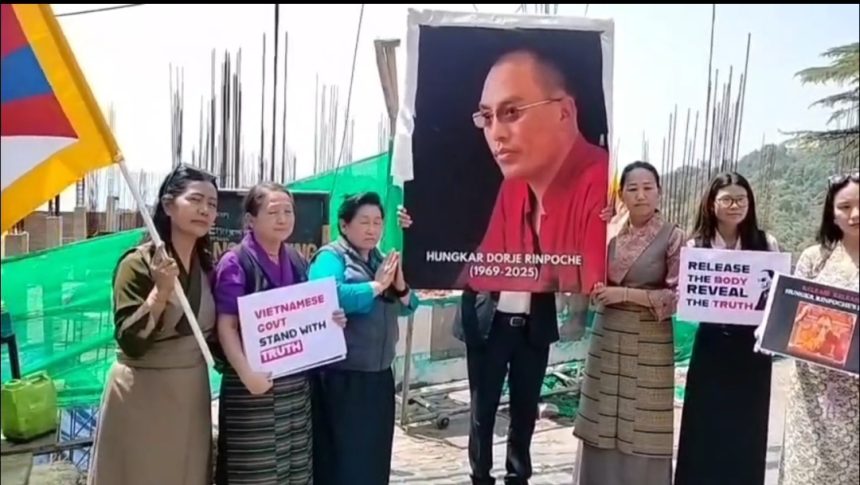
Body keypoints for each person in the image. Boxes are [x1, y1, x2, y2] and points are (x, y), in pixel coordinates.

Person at [401, 202, 560, 485]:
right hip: (489, 326)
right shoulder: (482, 222)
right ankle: (481, 476)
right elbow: (442, 235)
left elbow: (581, 249)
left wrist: (601, 221)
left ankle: (518, 475)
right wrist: (416, 224)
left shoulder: (548, 227)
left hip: (532, 329)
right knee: (483, 410)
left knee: (525, 411)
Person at [88, 164, 219, 485]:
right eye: (195, 200)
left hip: (191, 395)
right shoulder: (138, 263)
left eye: (213, 204)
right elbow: (130, 340)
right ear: (168, 205)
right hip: (143, 396)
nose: (205, 210)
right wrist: (160, 291)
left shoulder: (206, 265)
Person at [212, 182, 346, 485]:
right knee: (256, 473)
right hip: (254, 387)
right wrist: (247, 373)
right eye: (273, 212)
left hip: (296, 389)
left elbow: (309, 314)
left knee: (296, 469)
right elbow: (227, 325)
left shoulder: (297, 260)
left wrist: (330, 319)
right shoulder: (236, 262)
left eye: (288, 211)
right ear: (250, 220)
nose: (283, 219)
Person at [572, 161, 684, 485]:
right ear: (621, 194)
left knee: (644, 421)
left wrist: (624, 294)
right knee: (600, 417)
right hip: (607, 333)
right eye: (632, 189)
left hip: (650, 338)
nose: (640, 195)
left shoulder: (674, 236)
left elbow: (676, 296)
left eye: (648, 188)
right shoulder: (608, 232)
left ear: (659, 192)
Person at [462, 46, 609, 294]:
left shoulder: (599, 180)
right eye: (487, 118)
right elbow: (480, 276)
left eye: (511, 112)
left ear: (564, 112)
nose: (496, 133)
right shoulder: (514, 187)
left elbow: (594, 296)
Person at [674, 171, 780, 485]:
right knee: (704, 425)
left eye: (741, 199)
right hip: (711, 346)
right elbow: (685, 292)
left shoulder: (766, 242)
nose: (735, 206)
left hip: (753, 349)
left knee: (748, 426)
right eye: (727, 199)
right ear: (711, 204)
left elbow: (775, 294)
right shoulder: (696, 245)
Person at [309, 192, 419, 485]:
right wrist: (375, 286)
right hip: (342, 378)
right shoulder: (331, 257)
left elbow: (410, 306)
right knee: (342, 462)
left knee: (374, 458)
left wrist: (400, 287)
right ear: (344, 226)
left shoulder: (382, 259)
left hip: (379, 377)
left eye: (378, 222)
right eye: (364, 222)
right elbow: (323, 296)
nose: (372, 230)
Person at [778, 172, 859, 485]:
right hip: (815, 395)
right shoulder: (815, 258)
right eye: (845, 206)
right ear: (832, 213)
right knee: (810, 473)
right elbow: (790, 316)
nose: (855, 214)